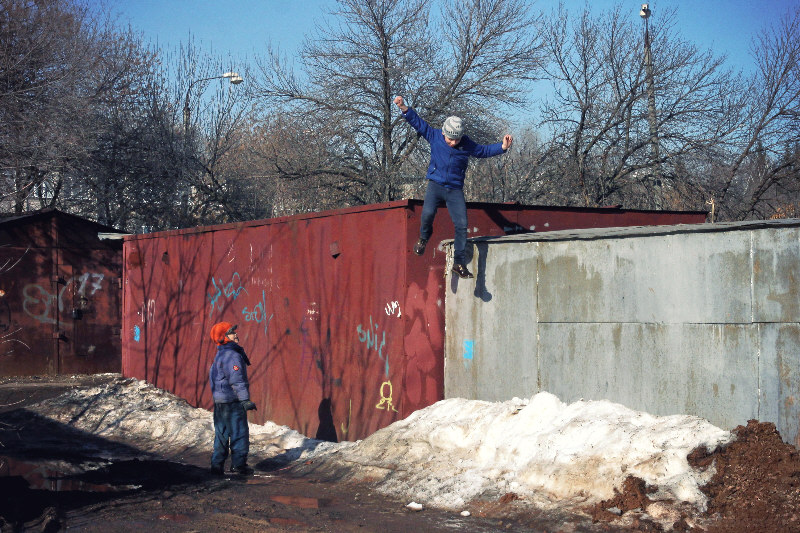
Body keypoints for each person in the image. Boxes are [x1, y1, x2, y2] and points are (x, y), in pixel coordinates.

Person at [394, 95, 513, 278]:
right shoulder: (434, 136)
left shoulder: (466, 144)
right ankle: (424, 238)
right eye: (450, 139)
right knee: (427, 215)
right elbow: (418, 123)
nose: (453, 143)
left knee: (462, 224)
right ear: (443, 133)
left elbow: (482, 151)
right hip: (436, 185)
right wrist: (403, 107)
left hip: (454, 189)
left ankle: (458, 263)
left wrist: (502, 147)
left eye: (456, 140)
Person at [208, 322, 257, 475]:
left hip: (220, 403)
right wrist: (244, 400)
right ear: (224, 337)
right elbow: (237, 380)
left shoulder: (220, 354)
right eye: (231, 332)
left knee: (221, 435)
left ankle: (217, 465)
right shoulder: (233, 356)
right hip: (232, 402)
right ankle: (238, 465)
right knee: (239, 432)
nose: (236, 335)